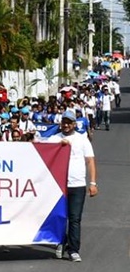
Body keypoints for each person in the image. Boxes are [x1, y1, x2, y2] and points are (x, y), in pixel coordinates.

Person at [41, 110, 98, 262]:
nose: (66, 125)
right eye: (64, 122)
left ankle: (73, 250)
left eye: (69, 122)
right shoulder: (54, 139)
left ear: (74, 124)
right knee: (59, 217)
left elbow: (90, 161)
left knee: (74, 218)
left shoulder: (82, 139)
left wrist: (92, 183)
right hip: (58, 185)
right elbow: (38, 149)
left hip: (77, 184)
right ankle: (61, 241)